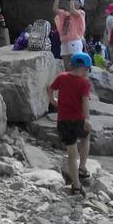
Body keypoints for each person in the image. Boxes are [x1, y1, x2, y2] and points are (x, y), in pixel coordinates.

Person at [47, 51, 93, 195]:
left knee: (72, 154)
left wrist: (52, 100)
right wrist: (87, 119)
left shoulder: (62, 77)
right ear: (85, 68)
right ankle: (82, 167)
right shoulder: (85, 83)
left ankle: (76, 185)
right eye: (88, 70)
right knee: (86, 137)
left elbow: (50, 88)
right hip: (79, 120)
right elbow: (85, 102)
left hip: (63, 121)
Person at [53, 0, 86, 71]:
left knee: (76, 65)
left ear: (80, 4)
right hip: (64, 42)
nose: (72, 1)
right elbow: (55, 9)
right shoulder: (65, 14)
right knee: (66, 67)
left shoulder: (81, 13)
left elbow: (73, 10)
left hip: (74, 41)